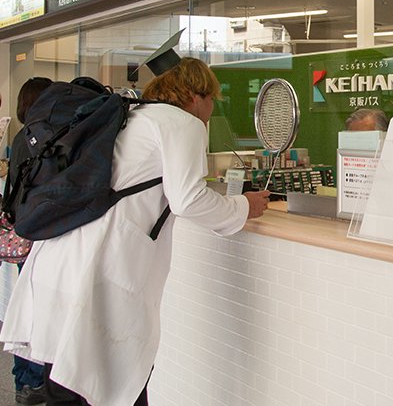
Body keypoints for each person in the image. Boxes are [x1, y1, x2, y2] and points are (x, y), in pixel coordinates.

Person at [0, 57, 271, 406]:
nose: (210, 110)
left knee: (68, 386)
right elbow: (188, 200)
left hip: (61, 261)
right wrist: (244, 206)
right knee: (108, 384)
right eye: (211, 100)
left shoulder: (131, 117)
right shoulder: (180, 123)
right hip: (99, 273)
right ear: (194, 96)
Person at [6, 77, 53, 405]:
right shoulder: (42, 138)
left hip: (26, 232)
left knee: (28, 309)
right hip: (39, 237)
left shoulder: (24, 137)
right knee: (38, 313)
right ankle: (33, 383)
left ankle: (26, 382)